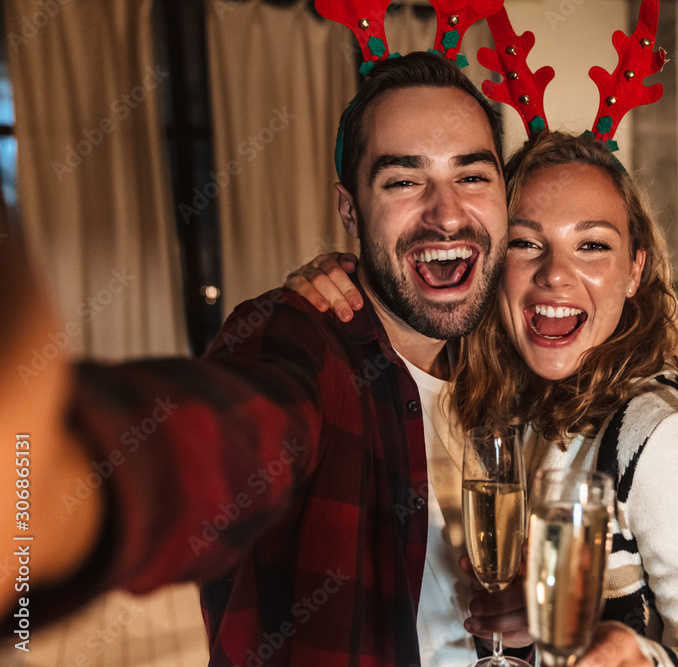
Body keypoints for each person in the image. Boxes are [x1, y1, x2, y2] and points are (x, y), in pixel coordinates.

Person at [1, 51, 526, 666]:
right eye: (404, 181)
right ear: (349, 209)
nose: (446, 213)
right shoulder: (298, 338)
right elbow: (234, 433)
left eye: (472, 176)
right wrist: (68, 481)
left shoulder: (503, 365)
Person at [289, 131, 678, 667]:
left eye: (592, 245)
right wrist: (536, 628)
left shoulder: (668, 440)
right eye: (525, 243)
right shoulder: (520, 403)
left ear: (635, 270)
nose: (554, 274)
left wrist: (641, 658)